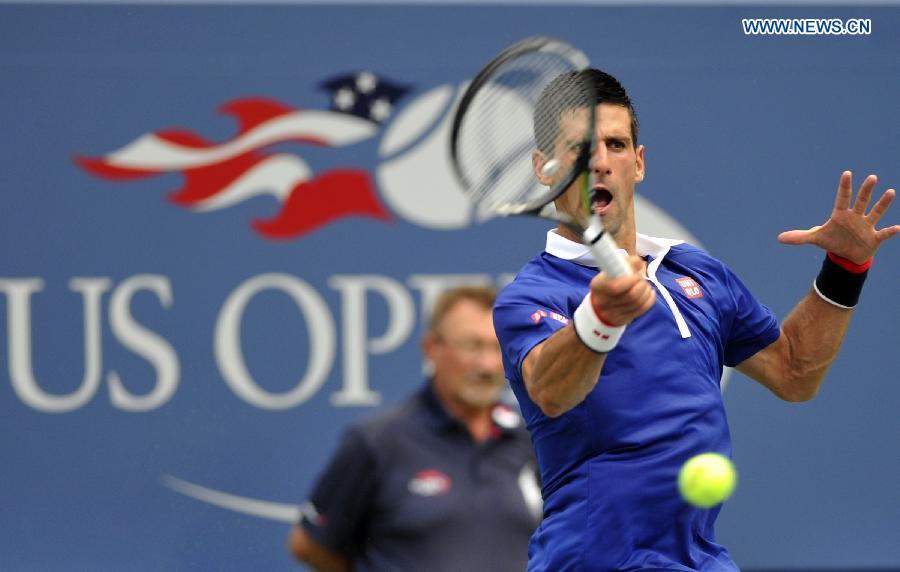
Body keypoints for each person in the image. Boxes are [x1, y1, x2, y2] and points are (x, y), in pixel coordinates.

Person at [492, 69, 899, 571]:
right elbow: (551, 392)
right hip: (593, 559)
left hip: (698, 558)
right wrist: (600, 318)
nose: (599, 162)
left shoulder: (695, 272)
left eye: (616, 145)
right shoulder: (532, 294)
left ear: (639, 163)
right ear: (544, 168)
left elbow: (794, 373)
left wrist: (845, 268)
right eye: (580, 149)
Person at [288, 285, 541, 571]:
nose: (487, 365)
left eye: (498, 348)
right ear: (432, 348)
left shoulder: (534, 442)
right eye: (472, 346)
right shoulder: (376, 442)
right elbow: (309, 544)